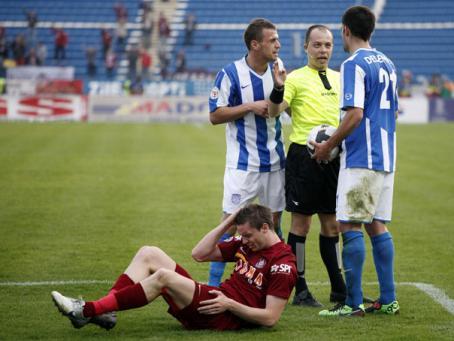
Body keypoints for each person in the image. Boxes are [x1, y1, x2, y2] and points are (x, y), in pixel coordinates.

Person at [51, 204, 297, 331]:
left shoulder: (283, 263)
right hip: (214, 302)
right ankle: (104, 311)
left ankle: (85, 310)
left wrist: (229, 304)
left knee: (163, 277)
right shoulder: (247, 244)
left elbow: (270, 318)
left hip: (221, 314)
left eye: (247, 235)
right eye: (240, 235)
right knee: (149, 253)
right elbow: (198, 254)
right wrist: (229, 222)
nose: (243, 241)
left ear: (266, 228)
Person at [312, 6, 400, 317]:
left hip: (363, 157)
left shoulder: (353, 64)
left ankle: (352, 303)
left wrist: (327, 146)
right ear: (371, 31)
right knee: (376, 224)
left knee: (347, 223)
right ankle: (388, 299)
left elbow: (355, 114)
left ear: (345, 30)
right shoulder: (387, 63)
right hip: (387, 155)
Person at [268, 25, 346, 307]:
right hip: (304, 157)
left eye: (327, 45)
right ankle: (300, 289)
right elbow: (276, 110)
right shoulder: (295, 79)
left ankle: (339, 289)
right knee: (301, 224)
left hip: (335, 157)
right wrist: (278, 88)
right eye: (317, 45)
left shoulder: (341, 78)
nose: (323, 50)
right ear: (305, 47)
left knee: (333, 224)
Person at [208, 18, 286, 287]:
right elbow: (215, 115)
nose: (278, 44)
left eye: (277, 39)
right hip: (243, 165)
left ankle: (275, 281)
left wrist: (280, 90)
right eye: (272, 39)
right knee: (230, 224)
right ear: (255, 44)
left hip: (276, 163)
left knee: (273, 225)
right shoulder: (230, 74)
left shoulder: (281, 72)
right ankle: (214, 285)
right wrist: (249, 106)